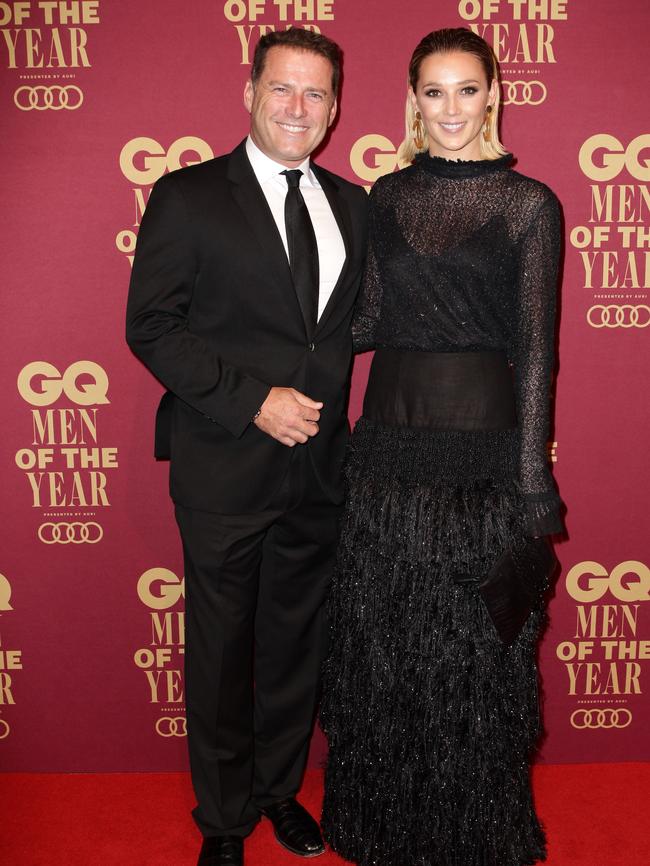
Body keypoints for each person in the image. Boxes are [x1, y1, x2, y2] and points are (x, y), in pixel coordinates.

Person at [320, 27, 563, 866]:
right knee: (383, 643)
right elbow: (364, 321)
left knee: (468, 652)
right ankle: (386, 823)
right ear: (412, 99)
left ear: (495, 92)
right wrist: (263, 332)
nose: (452, 108)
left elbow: (536, 349)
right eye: (435, 91)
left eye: (468, 89)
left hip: (480, 453)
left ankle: (471, 830)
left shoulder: (529, 204)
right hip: (384, 448)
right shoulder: (384, 198)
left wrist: (531, 482)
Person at [126, 28, 368, 866]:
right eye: (282, 89)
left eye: (316, 94)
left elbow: (344, 329)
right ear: (250, 93)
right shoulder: (188, 197)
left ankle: (277, 792)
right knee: (224, 653)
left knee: (295, 646)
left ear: (335, 108)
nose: (298, 108)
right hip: (225, 463)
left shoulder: (353, 205)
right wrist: (252, 401)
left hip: (318, 472)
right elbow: (150, 326)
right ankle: (225, 821)